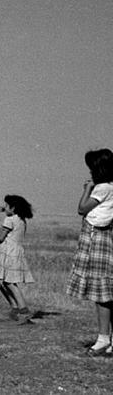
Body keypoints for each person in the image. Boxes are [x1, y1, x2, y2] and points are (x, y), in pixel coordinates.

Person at [66, 148, 113, 356]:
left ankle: (103, 338)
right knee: (107, 293)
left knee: (101, 293)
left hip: (96, 239)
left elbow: (82, 208)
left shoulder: (102, 187)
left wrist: (87, 188)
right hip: (104, 237)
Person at [0, 195, 35, 321]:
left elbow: (0, 238)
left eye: (6, 205)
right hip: (16, 251)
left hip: (8, 253)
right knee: (7, 281)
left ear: (13, 208)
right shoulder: (21, 220)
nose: (4, 208)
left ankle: (23, 309)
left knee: (9, 282)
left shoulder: (9, 220)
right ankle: (15, 309)